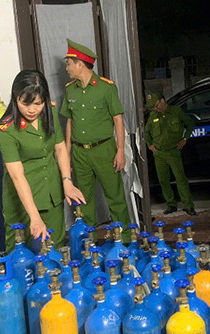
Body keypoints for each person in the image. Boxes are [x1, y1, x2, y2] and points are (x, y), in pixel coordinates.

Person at [0, 70, 85, 252]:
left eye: (38, 103)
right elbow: (17, 176)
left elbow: (60, 148)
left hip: (51, 194)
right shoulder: (7, 129)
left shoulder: (49, 113)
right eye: (26, 103)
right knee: (21, 253)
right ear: (15, 98)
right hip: (23, 199)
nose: (32, 110)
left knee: (55, 248)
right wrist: (34, 216)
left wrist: (67, 182)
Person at [61, 39, 132, 242]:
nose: (67, 68)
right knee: (84, 200)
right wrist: (67, 154)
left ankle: (125, 241)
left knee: (115, 197)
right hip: (80, 153)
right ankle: (89, 243)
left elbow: (118, 120)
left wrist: (120, 151)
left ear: (80, 64)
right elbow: (69, 122)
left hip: (104, 150)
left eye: (69, 63)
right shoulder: (70, 90)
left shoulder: (106, 88)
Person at [144, 91, 197, 216]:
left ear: (163, 100)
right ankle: (171, 204)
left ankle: (188, 205)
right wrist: (150, 145)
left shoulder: (176, 112)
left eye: (156, 105)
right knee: (163, 180)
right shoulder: (153, 116)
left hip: (173, 151)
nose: (155, 108)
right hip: (159, 153)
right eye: (153, 107)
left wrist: (185, 138)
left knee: (180, 179)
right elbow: (146, 132)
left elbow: (190, 123)